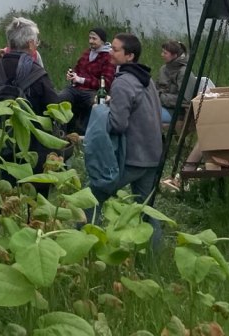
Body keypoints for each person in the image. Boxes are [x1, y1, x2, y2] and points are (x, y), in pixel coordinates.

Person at [86, 33, 163, 240]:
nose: (110, 52)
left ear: (129, 56)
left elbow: (118, 125)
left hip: (133, 157)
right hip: (153, 154)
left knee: (89, 199)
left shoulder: (122, 83)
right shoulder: (145, 78)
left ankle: (85, 246)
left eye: (115, 49)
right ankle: (154, 258)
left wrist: (100, 111)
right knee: (145, 210)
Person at [0, 16, 61, 170]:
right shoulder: (37, 72)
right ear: (31, 44)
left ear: (9, 43)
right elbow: (54, 107)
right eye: (36, 41)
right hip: (31, 148)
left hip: (0, 143)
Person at [54, 26, 116, 134]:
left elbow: (105, 84)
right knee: (61, 98)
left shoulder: (108, 57)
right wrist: (72, 75)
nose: (91, 41)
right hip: (76, 88)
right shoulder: (87, 53)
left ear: (102, 40)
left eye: (94, 39)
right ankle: (61, 131)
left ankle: (85, 133)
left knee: (95, 104)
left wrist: (81, 80)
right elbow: (77, 69)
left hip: (93, 91)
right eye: (90, 38)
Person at [156, 40, 195, 123]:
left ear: (174, 55)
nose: (162, 55)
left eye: (165, 53)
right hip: (160, 106)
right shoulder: (163, 69)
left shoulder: (184, 72)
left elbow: (185, 100)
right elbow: (157, 88)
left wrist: (160, 97)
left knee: (146, 116)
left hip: (177, 112)